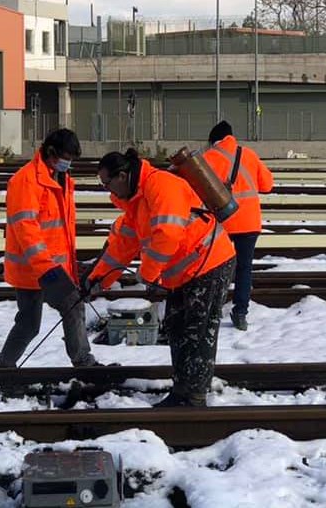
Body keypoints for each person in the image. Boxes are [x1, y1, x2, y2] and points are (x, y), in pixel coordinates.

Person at [85, 149, 236, 407]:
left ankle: (194, 396)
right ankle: (182, 391)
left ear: (122, 176)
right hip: (186, 272)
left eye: (107, 183)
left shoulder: (160, 185)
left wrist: (149, 273)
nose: (107, 190)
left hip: (209, 263)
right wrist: (98, 280)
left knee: (196, 332)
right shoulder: (135, 201)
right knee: (177, 329)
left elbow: (168, 234)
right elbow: (123, 246)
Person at [0, 128, 98, 368]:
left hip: (55, 268)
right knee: (30, 323)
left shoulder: (61, 179)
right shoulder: (25, 181)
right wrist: (46, 267)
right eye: (66, 158)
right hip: (35, 269)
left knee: (74, 308)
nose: (68, 164)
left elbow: (61, 230)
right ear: (50, 152)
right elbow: (26, 229)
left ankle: (83, 361)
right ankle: (5, 366)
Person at [202, 120, 274, 331]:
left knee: (215, 266)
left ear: (214, 140)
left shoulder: (208, 157)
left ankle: (213, 309)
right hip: (249, 222)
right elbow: (267, 185)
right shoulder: (249, 155)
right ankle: (240, 313)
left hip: (222, 222)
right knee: (244, 268)